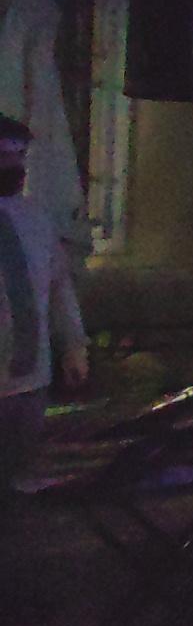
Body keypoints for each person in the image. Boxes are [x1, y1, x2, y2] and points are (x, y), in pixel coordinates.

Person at [0, 113, 86, 524]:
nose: (15, 166)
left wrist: (73, 346)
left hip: (30, 378)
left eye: (20, 156)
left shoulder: (35, 219)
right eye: (5, 155)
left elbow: (58, 288)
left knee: (16, 478)